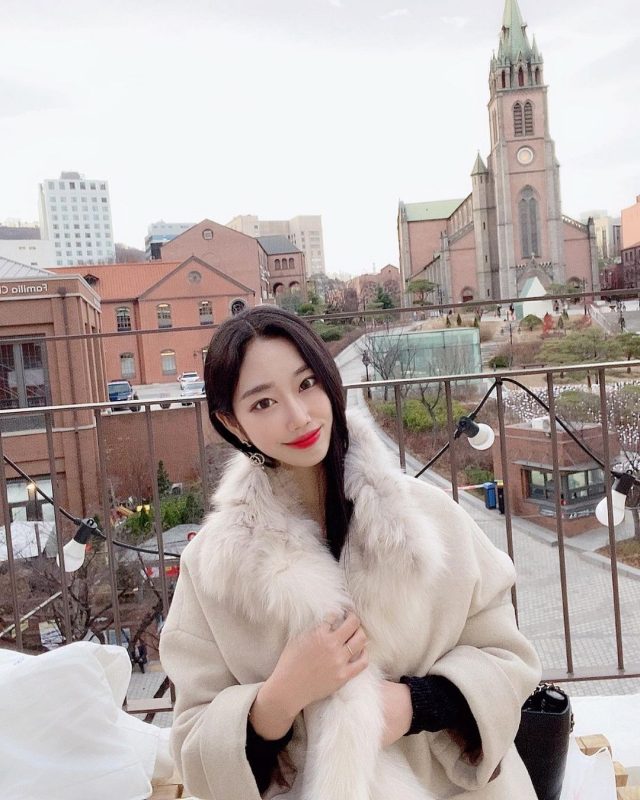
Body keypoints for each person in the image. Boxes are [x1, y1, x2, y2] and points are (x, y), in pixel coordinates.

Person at [159, 306, 541, 800]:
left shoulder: (428, 517)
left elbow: (509, 659)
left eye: (307, 384)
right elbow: (193, 743)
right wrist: (278, 700)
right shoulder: (214, 566)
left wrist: (414, 705)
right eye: (263, 403)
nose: (299, 416)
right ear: (232, 422)